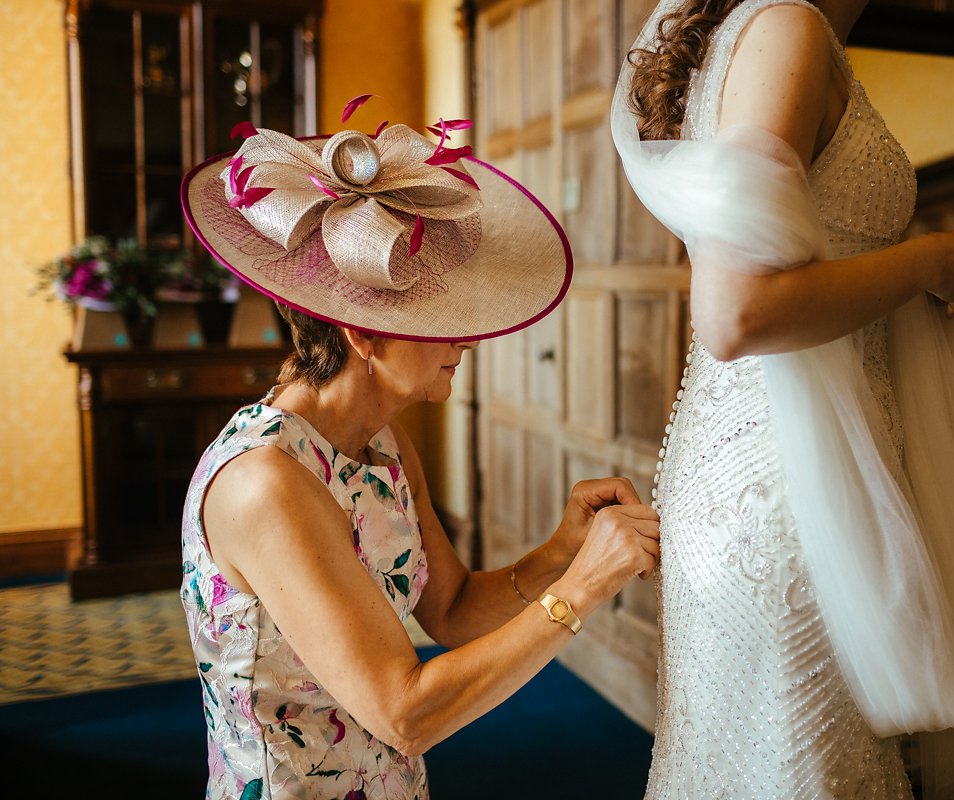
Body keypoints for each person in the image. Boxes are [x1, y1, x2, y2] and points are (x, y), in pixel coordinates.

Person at [613, 1, 954, 798]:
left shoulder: (782, 37)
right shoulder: (787, 30)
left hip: (770, 469)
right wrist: (925, 262)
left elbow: (793, 279)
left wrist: (935, 272)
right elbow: (737, 313)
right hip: (781, 496)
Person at [180, 109, 660, 799]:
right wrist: (583, 589)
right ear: (364, 334)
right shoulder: (266, 484)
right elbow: (406, 713)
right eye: (442, 321)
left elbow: (454, 608)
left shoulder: (380, 442)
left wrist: (562, 550)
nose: (468, 340)